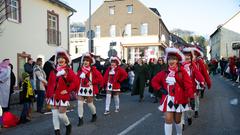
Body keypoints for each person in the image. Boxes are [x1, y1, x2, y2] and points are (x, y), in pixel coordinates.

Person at [151, 47, 194, 135]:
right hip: (168, 99)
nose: (171, 61)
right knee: (168, 119)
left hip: (180, 98)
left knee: (177, 120)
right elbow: (154, 81)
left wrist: (191, 97)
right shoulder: (164, 73)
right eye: (169, 59)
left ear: (177, 61)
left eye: (174, 59)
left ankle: (179, 134)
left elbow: (188, 85)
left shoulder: (182, 72)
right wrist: (160, 89)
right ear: (167, 61)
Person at [46, 48, 79, 135]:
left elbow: (75, 82)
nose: (60, 60)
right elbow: (50, 84)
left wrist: (68, 90)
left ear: (66, 60)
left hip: (63, 96)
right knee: (54, 115)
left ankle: (68, 125)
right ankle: (57, 132)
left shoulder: (68, 71)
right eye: (59, 58)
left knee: (61, 114)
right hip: (53, 96)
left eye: (62, 58)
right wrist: (48, 95)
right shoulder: (53, 71)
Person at [76, 53, 103, 126]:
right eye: (84, 60)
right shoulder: (80, 70)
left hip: (90, 90)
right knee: (79, 104)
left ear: (90, 62)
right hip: (81, 89)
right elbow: (76, 80)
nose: (85, 62)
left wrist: (92, 82)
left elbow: (100, 79)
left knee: (90, 104)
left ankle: (94, 115)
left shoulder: (93, 70)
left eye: (87, 61)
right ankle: (80, 119)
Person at [181, 47, 205, 129]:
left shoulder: (193, 66)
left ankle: (190, 116)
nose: (187, 58)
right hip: (181, 90)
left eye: (188, 56)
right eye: (185, 56)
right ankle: (182, 123)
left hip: (192, 89)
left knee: (190, 108)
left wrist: (202, 82)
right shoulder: (179, 66)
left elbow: (199, 75)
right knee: (181, 108)